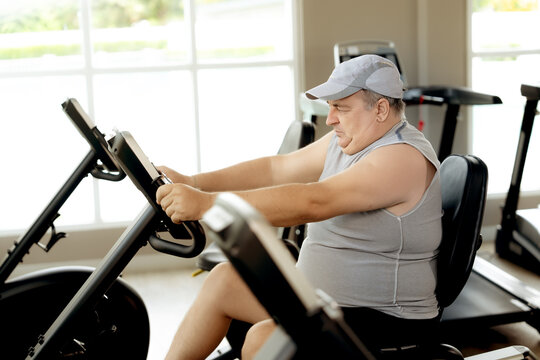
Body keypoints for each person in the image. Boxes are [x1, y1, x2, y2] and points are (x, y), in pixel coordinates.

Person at [156, 54, 442, 359]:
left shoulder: (402, 157)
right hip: (323, 304)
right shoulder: (347, 141)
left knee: (264, 339)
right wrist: (195, 182)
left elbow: (315, 200)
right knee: (223, 281)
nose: (330, 119)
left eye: (341, 108)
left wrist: (207, 205)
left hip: (385, 321)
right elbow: (275, 169)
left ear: (381, 109)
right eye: (330, 108)